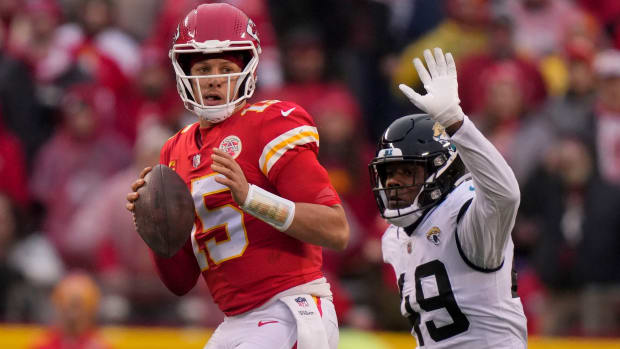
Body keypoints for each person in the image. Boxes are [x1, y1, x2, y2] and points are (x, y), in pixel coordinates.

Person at [125, 3, 349, 349]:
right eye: (203, 68)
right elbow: (181, 281)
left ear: (248, 70)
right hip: (236, 321)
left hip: (291, 307)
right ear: (185, 74)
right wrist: (155, 230)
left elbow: (335, 230)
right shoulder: (174, 151)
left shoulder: (271, 122)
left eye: (224, 67)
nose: (214, 78)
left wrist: (252, 199)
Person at [369, 47, 527, 347]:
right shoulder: (394, 238)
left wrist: (456, 122)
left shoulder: (465, 219)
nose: (392, 182)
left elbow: (505, 196)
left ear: (439, 172)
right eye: (388, 173)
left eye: (406, 172)